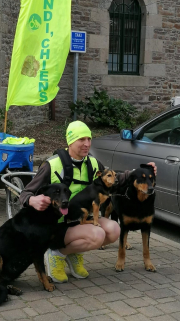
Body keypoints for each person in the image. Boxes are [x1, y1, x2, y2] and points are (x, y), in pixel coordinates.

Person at [19, 120, 157, 283]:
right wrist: (32, 200)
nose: (86, 144)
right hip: (56, 225)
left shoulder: (92, 163)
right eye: (81, 139)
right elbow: (25, 193)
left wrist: (138, 172)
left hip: (79, 220)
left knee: (114, 229)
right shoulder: (52, 164)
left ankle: (72, 252)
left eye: (89, 139)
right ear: (70, 141)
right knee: (97, 234)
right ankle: (56, 254)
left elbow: (115, 178)